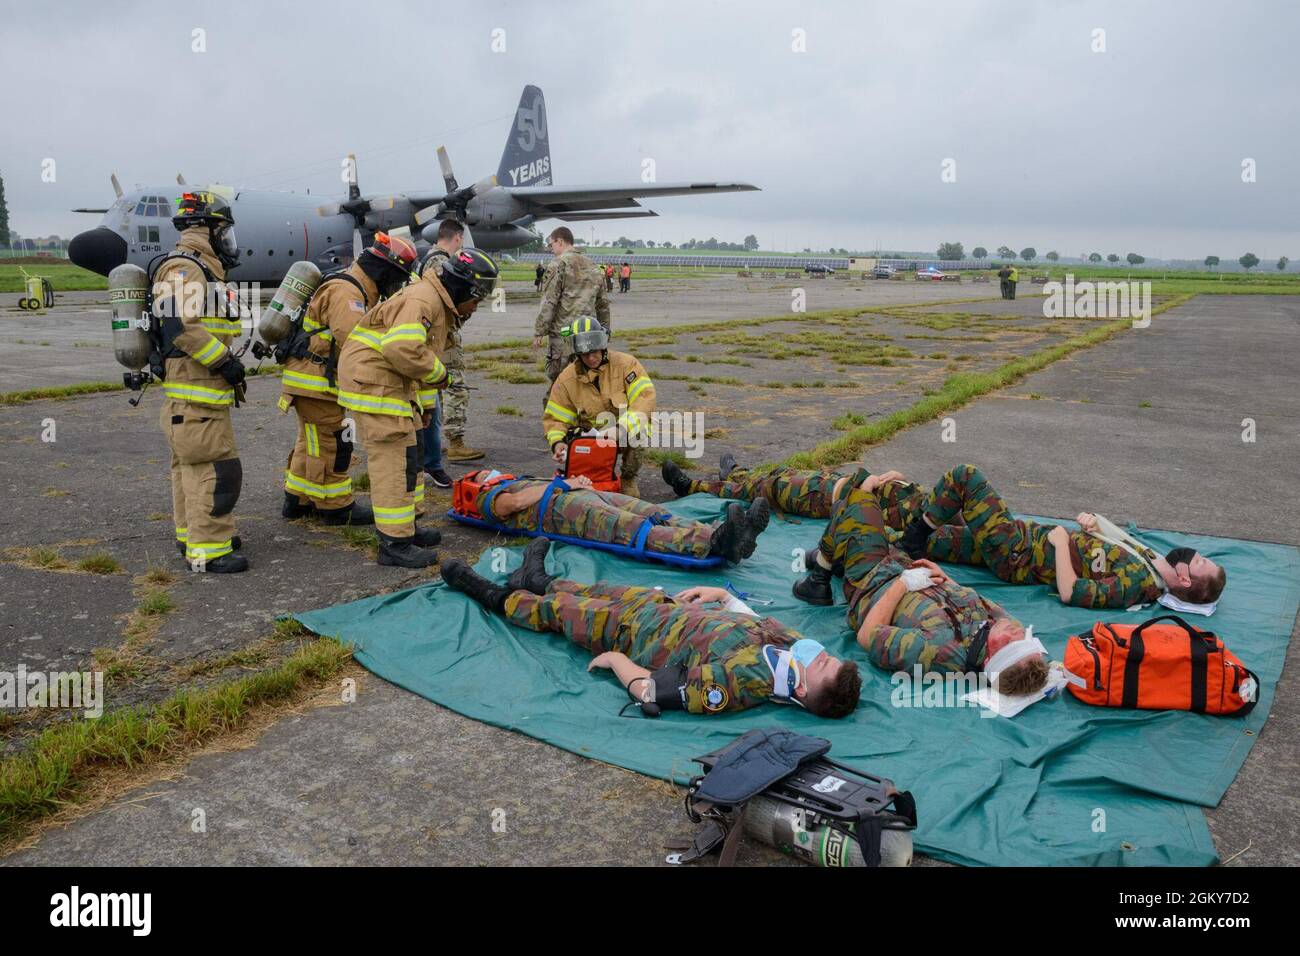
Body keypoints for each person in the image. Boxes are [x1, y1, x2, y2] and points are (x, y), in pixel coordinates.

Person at [441, 539, 863, 717]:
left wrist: (618, 661)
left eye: (823, 663)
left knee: (554, 612)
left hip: (630, 633)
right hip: (661, 608)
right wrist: (724, 597)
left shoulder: (739, 684)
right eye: (830, 655)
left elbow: (651, 692)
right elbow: (755, 624)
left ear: (802, 690)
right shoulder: (790, 651)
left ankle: (487, 592)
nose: (822, 653)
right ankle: (535, 577)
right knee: (594, 588)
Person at [793, 476, 1048, 696]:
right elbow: (980, 605)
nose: (1018, 631)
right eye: (1024, 637)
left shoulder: (935, 651)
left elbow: (867, 635)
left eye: (1014, 641)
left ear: (991, 658)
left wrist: (902, 585)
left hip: (873, 581)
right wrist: (946, 579)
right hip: (902, 564)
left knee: (861, 496)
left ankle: (819, 575)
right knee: (890, 489)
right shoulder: (995, 632)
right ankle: (830, 554)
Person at [336, 244, 498, 567]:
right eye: (476, 298)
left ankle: (404, 529)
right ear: (464, 287)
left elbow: (416, 358)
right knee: (393, 459)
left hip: (390, 380)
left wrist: (424, 403)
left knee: (409, 455)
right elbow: (402, 349)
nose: (476, 307)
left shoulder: (437, 301)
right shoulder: (424, 300)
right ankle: (393, 544)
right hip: (373, 380)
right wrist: (441, 375)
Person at [896, 464, 1227, 609]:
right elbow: (1102, 552)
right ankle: (891, 517)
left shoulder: (1138, 584)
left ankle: (914, 532)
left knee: (964, 477)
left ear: (1184, 580)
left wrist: (1061, 544)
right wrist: (1091, 529)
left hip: (1015, 552)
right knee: (925, 532)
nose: (1192, 554)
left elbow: (1071, 592)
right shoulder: (1151, 562)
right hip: (1018, 543)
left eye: (1198, 562)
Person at [278, 236, 408, 526]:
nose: (394, 287)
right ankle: (335, 505)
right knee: (332, 442)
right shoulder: (348, 293)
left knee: (310, 440)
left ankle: (297, 499)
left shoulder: (353, 286)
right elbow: (354, 342)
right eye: (395, 280)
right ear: (383, 272)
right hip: (315, 383)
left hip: (309, 380)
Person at [152, 190, 248, 572]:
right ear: (206, 229)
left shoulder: (197, 267)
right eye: (222, 230)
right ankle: (209, 550)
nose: (227, 240)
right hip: (197, 393)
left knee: (188, 468)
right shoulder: (186, 269)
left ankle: (192, 535)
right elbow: (180, 327)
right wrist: (224, 361)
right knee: (214, 468)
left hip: (195, 394)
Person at [465, 470, 771, 564]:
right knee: (633, 528)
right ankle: (711, 542)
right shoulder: (487, 495)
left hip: (577, 496)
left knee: (652, 511)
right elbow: (512, 505)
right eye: (485, 473)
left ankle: (734, 531)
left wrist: (573, 483)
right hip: (562, 513)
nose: (492, 471)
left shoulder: (520, 477)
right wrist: (562, 485)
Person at [543, 316, 654, 498]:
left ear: (603, 344)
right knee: (586, 487)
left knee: (640, 432)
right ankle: (590, 478)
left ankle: (628, 478)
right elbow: (556, 419)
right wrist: (558, 443)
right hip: (591, 440)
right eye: (585, 353)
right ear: (577, 352)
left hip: (621, 433)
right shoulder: (566, 379)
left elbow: (644, 400)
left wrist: (621, 428)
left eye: (595, 350)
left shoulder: (627, 365)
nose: (591, 357)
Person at [664, 455, 923, 527]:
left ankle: (690, 487)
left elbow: (866, 520)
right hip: (834, 481)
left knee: (770, 488)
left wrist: (867, 490)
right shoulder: (931, 500)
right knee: (781, 473)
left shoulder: (917, 520)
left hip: (820, 499)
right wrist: (899, 478)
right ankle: (736, 473)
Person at [419, 220, 483, 465]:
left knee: (433, 390)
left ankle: (432, 441)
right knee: (456, 388)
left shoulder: (425, 260)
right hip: (443, 337)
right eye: (462, 241)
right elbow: (449, 302)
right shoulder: (442, 263)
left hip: (432, 336)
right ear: (457, 238)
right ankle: (456, 442)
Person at [533, 226, 611, 385]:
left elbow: (550, 300)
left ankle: (556, 410)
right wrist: (605, 330)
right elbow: (603, 304)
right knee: (587, 381)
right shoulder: (593, 266)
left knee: (560, 384)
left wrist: (539, 331)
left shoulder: (558, 264)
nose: (551, 249)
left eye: (551, 244)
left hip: (564, 334)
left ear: (559, 241)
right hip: (589, 334)